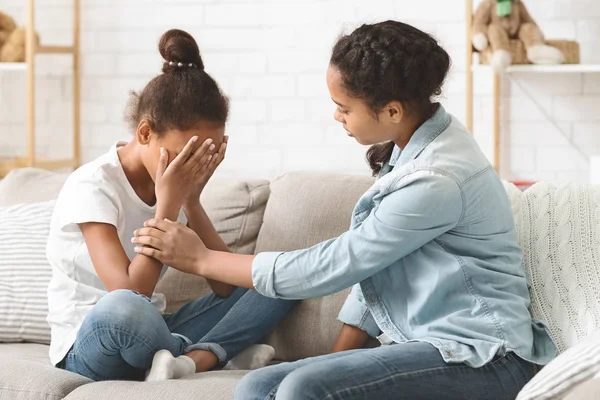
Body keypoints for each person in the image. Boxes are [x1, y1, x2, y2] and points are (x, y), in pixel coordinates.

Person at [132, 21, 557, 399]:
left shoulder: (436, 179)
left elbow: (337, 264)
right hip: (425, 348)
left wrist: (203, 259)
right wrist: (335, 364)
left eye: (345, 106)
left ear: (392, 110)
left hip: (484, 358)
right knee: (259, 386)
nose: (336, 116)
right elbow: (374, 273)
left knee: (302, 387)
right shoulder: (409, 153)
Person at [45, 29, 296, 383]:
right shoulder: (93, 186)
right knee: (125, 309)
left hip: (152, 330)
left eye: (204, 155)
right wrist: (166, 207)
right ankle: (212, 352)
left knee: (277, 279)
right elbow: (130, 293)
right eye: (185, 154)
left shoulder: (175, 187)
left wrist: (191, 201)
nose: (191, 166)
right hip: (91, 341)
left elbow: (226, 288)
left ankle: (192, 359)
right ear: (145, 133)